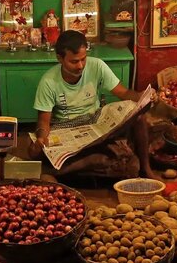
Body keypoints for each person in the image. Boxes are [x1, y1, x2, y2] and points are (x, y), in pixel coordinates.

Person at [30, 30, 148, 177]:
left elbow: (124, 93)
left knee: (139, 118)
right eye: (74, 61)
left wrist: (144, 96)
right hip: (65, 126)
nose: (80, 66)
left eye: (83, 59)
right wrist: (41, 138)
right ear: (60, 58)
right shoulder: (48, 81)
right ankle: (86, 163)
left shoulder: (97, 65)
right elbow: (43, 121)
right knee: (34, 151)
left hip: (95, 120)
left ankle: (146, 169)